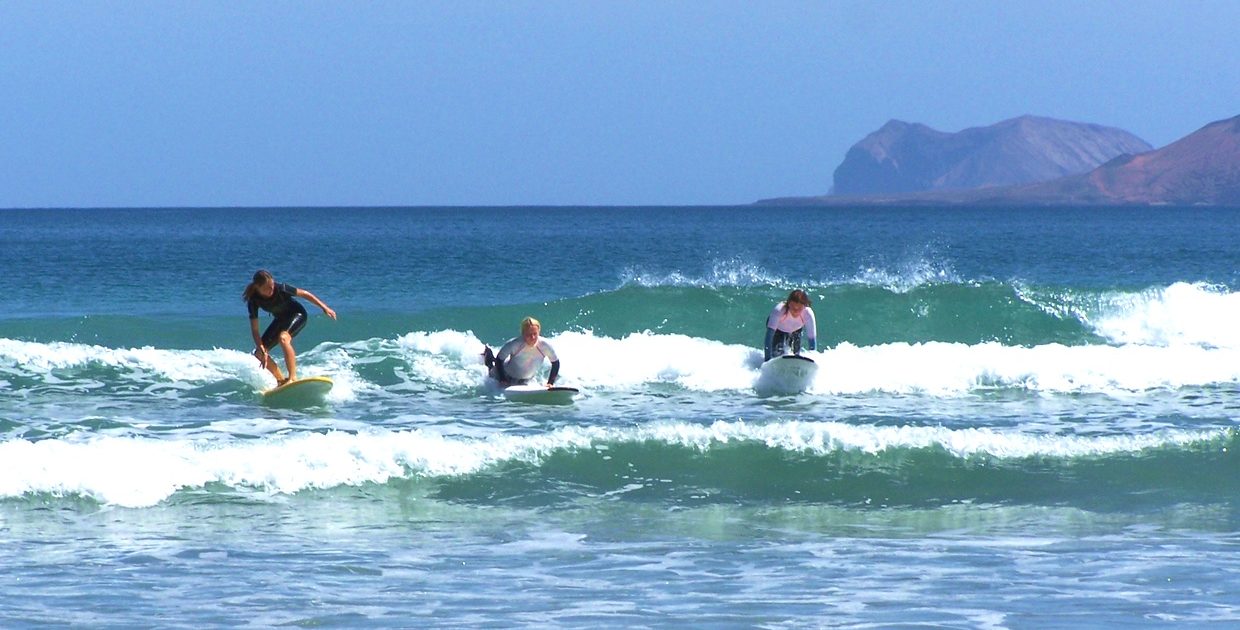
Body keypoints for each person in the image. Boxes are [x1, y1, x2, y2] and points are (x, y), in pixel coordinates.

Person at [242, 269, 337, 385]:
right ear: (258, 287)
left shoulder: (281, 288)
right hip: (280, 319)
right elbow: (255, 330)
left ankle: (292, 378)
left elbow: (305, 294)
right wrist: (261, 348)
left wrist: (325, 308)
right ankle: (281, 380)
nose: (272, 289)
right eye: (267, 288)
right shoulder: (253, 301)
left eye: (272, 285)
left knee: (283, 338)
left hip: (297, 315)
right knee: (259, 353)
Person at [482, 316, 561, 388]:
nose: (532, 337)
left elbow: (555, 363)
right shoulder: (514, 344)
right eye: (529, 334)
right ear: (523, 333)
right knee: (491, 368)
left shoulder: (545, 345)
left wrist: (550, 383)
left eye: (535, 334)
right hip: (506, 375)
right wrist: (503, 379)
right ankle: (488, 354)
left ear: (539, 331)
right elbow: (499, 360)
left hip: (526, 380)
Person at [764, 289, 817, 361]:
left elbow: (812, 340)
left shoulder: (808, 313)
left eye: (799, 308)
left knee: (796, 354)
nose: (796, 311)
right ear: (788, 304)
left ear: (804, 306)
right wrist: (767, 359)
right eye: (793, 307)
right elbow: (769, 337)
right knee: (777, 353)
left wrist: (813, 360)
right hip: (778, 330)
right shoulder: (779, 310)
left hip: (796, 330)